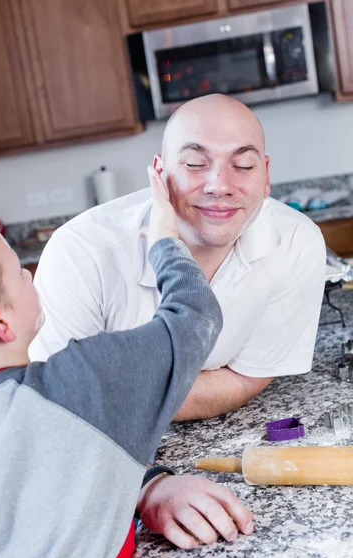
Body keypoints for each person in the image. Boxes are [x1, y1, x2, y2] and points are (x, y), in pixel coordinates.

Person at [0, 170, 253, 558]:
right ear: (1, 323)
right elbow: (196, 316)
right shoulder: (87, 378)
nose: (30, 274)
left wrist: (145, 481)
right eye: (18, 271)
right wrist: (164, 241)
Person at [31, 93, 326, 420]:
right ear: (159, 173)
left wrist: (117, 392)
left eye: (242, 165)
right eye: (195, 164)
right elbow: (63, 398)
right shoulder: (80, 252)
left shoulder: (296, 244)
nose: (219, 185)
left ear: (266, 176)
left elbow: (247, 377)